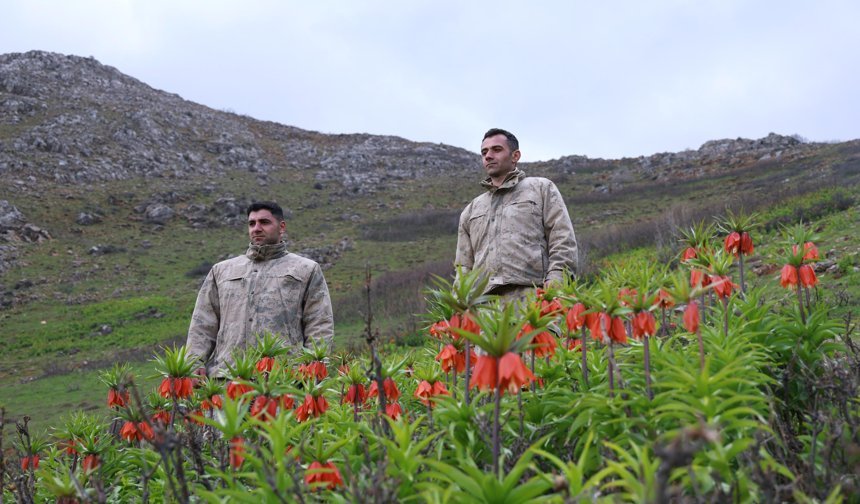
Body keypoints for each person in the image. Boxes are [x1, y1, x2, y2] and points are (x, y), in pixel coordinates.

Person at [186, 201, 334, 376]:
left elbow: (319, 324)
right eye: (251, 223)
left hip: (285, 380)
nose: (256, 228)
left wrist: (315, 367)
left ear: (282, 227)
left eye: (264, 222)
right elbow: (203, 322)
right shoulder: (222, 271)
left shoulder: (305, 269)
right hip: (228, 379)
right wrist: (194, 363)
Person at [455, 128, 578, 301]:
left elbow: (562, 239)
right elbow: (463, 266)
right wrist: (459, 307)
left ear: (515, 156)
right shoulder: (471, 210)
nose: (488, 156)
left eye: (496, 150)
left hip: (534, 296)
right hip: (484, 307)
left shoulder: (541, 188)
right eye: (484, 152)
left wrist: (557, 281)